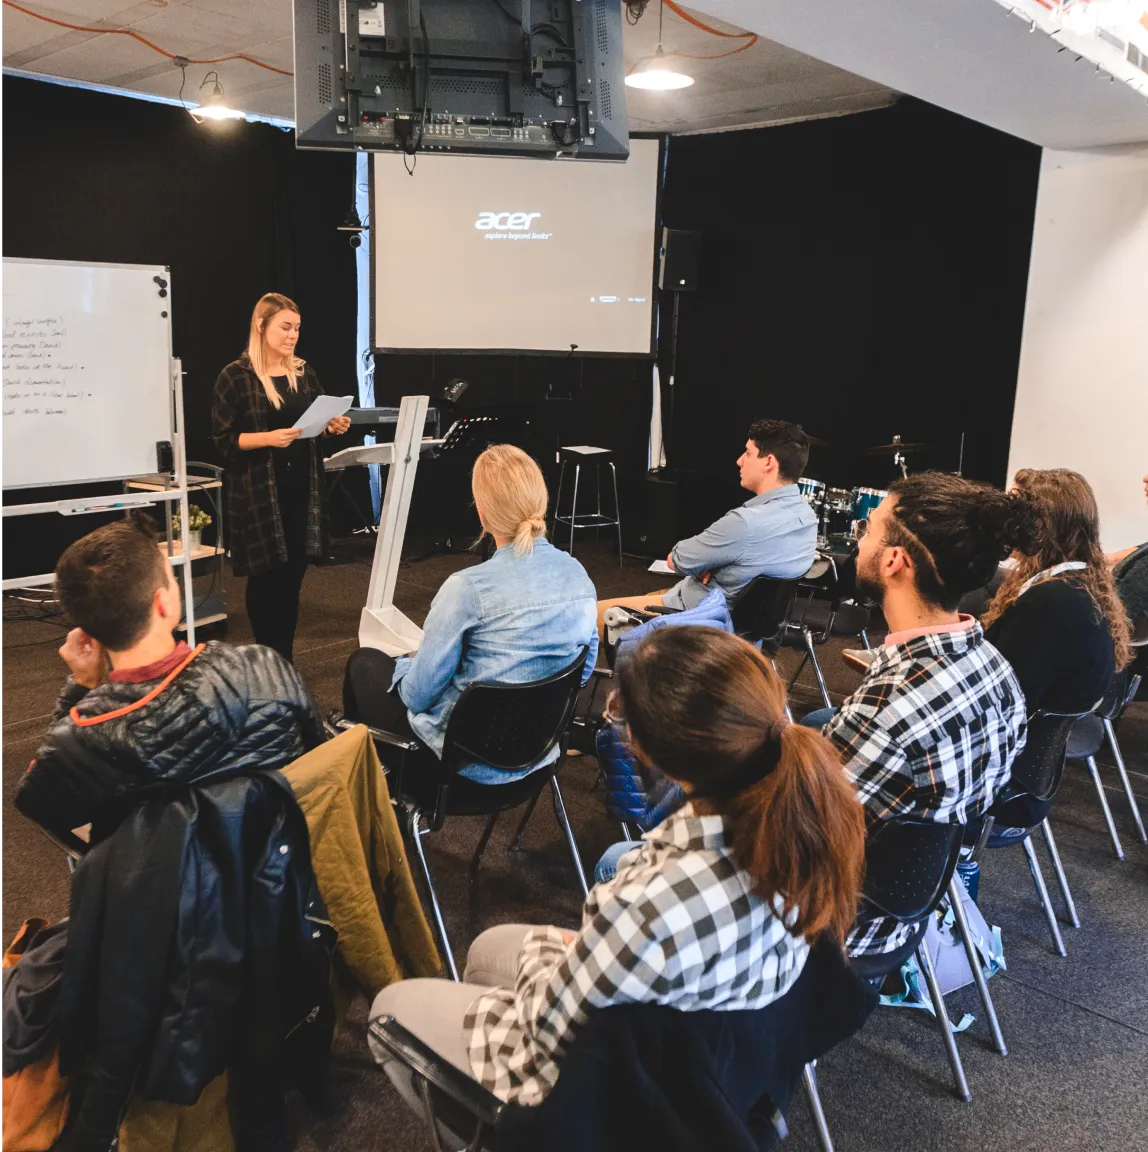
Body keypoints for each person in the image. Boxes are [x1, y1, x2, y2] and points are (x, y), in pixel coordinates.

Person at [368, 625, 866, 1112]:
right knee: (485, 949)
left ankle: (503, 1125)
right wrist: (585, 949)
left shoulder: (655, 902)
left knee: (390, 1009)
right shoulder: (800, 828)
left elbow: (544, 1028)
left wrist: (571, 950)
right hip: (717, 1051)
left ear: (649, 751)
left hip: (612, 1086)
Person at [14, 514, 334, 1149]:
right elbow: (315, 755)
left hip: (147, 950)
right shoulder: (264, 673)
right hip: (271, 919)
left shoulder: (80, 741)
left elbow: (45, 806)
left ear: (90, 632)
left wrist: (79, 689)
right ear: (168, 600)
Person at [811, 473, 1036, 960]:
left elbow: (794, 838)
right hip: (912, 914)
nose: (860, 539)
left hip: (835, 932)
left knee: (621, 861)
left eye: (867, 530)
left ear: (894, 560)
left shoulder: (885, 711)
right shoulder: (998, 670)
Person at [342, 444, 599, 784]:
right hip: (538, 758)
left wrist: (408, 664)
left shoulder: (466, 588)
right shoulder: (577, 573)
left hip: (462, 769)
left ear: (482, 513)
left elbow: (417, 696)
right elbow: (582, 670)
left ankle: (376, 792)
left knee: (364, 663)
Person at [211, 292, 352, 663]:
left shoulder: (303, 373)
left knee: (292, 578)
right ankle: (265, 656)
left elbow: (313, 424)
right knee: (265, 577)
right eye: (285, 327)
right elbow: (222, 441)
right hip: (259, 493)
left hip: (302, 489)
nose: (293, 335)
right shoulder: (236, 376)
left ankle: (282, 658)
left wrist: (331, 425)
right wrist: (268, 439)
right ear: (262, 325)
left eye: (297, 329)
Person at [596, 420, 818, 626]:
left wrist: (708, 563)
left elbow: (678, 560)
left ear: (769, 462)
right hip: (752, 635)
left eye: (748, 453)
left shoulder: (744, 524)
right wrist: (717, 565)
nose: (739, 460)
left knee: (588, 618)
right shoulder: (808, 518)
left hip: (699, 623)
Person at [981, 469, 1130, 714]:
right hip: (1053, 719)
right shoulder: (1084, 581)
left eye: (1013, 510)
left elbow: (1003, 700)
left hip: (1021, 736)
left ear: (1040, 526)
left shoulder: (1047, 602)